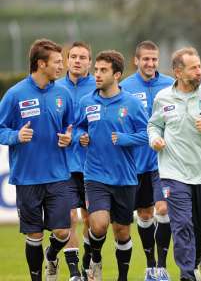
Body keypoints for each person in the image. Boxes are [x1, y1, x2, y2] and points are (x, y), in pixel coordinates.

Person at [147, 47, 201, 281]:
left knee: (200, 229)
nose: (199, 72)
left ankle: (198, 255)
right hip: (173, 172)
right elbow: (154, 125)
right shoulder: (163, 98)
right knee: (182, 223)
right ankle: (187, 275)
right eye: (193, 68)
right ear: (178, 72)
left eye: (199, 67)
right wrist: (154, 139)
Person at [0, 39, 74, 281]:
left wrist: (69, 137)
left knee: (63, 232)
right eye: (57, 62)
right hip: (28, 177)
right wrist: (15, 135)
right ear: (41, 64)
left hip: (59, 176)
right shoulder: (15, 94)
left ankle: (52, 255)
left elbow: (72, 126)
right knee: (34, 236)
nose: (62, 66)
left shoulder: (63, 93)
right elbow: (1, 129)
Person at [76, 50, 149, 281]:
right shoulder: (87, 101)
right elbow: (78, 126)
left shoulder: (132, 104)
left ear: (116, 74)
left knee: (122, 232)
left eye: (103, 70)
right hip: (95, 175)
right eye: (96, 70)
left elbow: (147, 134)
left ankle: (123, 277)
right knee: (98, 225)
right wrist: (81, 135)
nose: (97, 74)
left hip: (125, 178)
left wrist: (126, 139)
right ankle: (95, 258)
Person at [120, 40, 174, 281]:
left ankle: (161, 266)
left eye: (154, 59)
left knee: (163, 208)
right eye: (146, 59)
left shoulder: (170, 85)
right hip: (135, 162)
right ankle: (150, 264)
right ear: (136, 60)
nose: (151, 63)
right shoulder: (125, 87)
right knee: (144, 214)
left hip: (163, 162)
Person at [56, 41, 97, 280]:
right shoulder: (55, 88)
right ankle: (74, 273)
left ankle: (88, 259)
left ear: (90, 62)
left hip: (92, 165)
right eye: (73, 56)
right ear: (67, 60)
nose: (78, 60)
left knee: (92, 219)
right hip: (63, 165)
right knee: (70, 217)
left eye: (83, 57)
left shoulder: (99, 87)